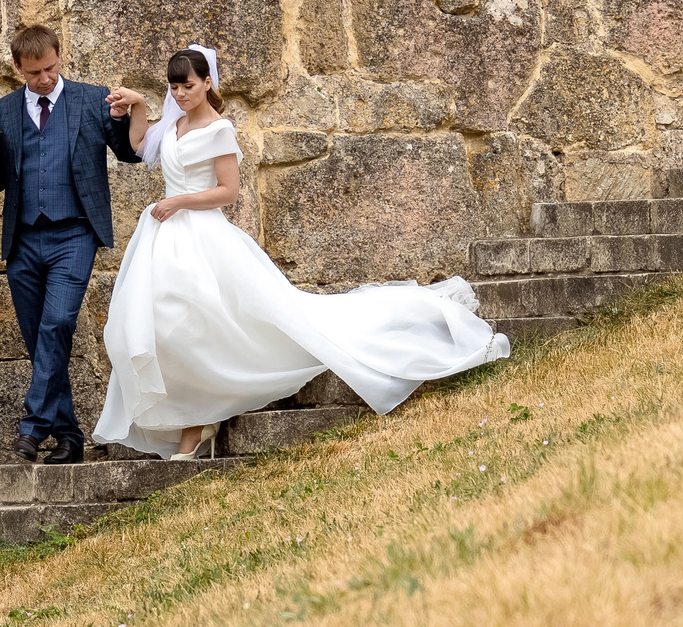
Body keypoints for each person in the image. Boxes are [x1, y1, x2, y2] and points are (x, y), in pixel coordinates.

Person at [93, 44, 509, 460]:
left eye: (187, 86)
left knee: (196, 326)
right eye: (174, 87)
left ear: (206, 83)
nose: (180, 94)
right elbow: (140, 144)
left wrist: (178, 202)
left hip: (201, 234)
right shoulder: (174, 124)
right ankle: (197, 420)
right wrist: (136, 106)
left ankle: (195, 428)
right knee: (167, 327)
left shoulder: (219, 130)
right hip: (163, 241)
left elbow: (229, 191)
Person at [0, 25, 150, 464]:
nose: (43, 78)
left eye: (50, 68)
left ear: (60, 58)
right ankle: (68, 437)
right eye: (34, 72)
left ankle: (32, 428)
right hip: (23, 238)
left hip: (75, 233)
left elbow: (131, 152)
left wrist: (137, 107)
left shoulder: (92, 100)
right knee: (39, 339)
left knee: (57, 323)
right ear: (18, 68)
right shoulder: (1, 111)